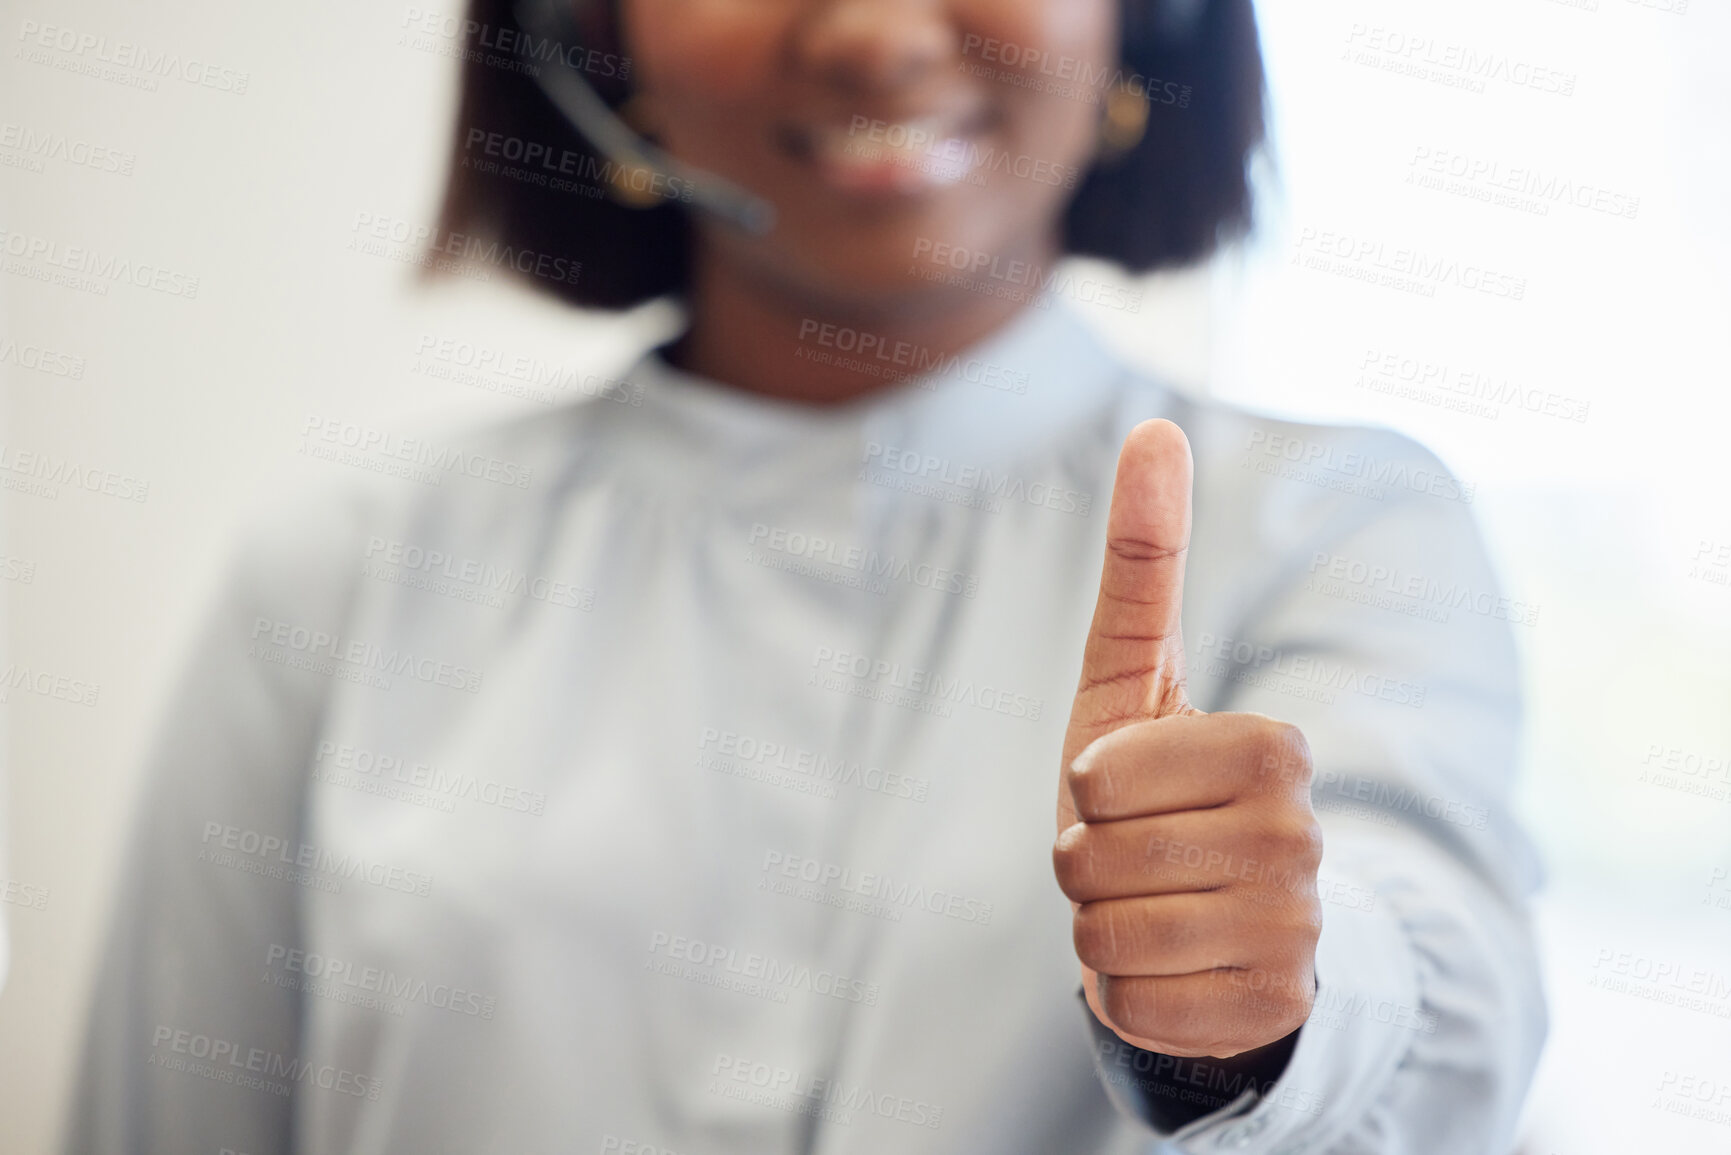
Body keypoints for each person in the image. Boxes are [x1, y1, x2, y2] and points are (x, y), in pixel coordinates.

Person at [67, 0, 1546, 1151]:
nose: (874, 35)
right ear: (595, 35)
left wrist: (1256, 1014)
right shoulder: (347, 571)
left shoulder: (1337, 526)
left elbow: (1443, 1021)